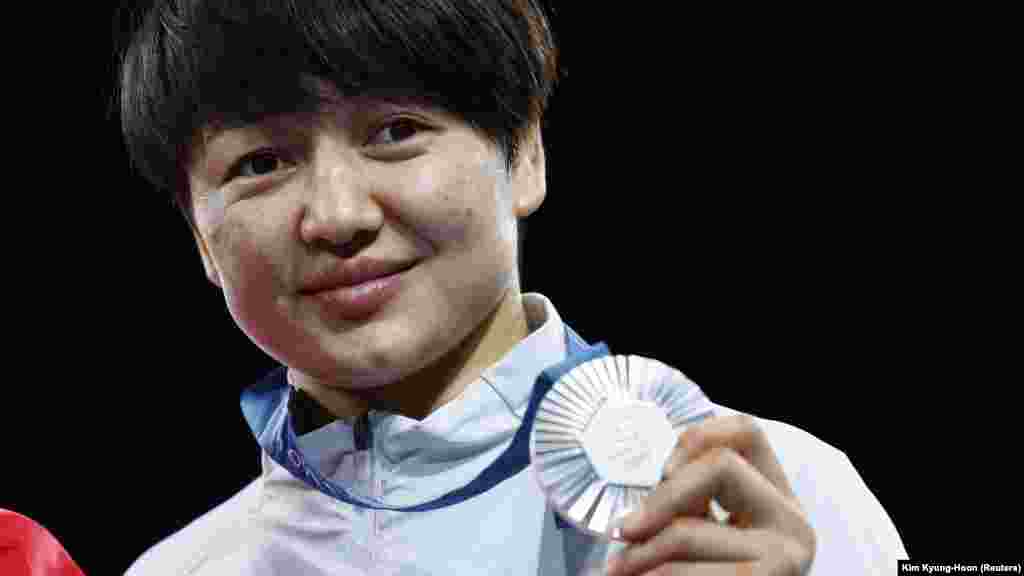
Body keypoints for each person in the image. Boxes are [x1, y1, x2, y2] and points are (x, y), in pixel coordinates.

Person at [116, 1, 908, 574]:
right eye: (261, 163)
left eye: (395, 131)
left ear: (524, 151)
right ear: (198, 236)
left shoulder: (772, 499)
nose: (337, 216)